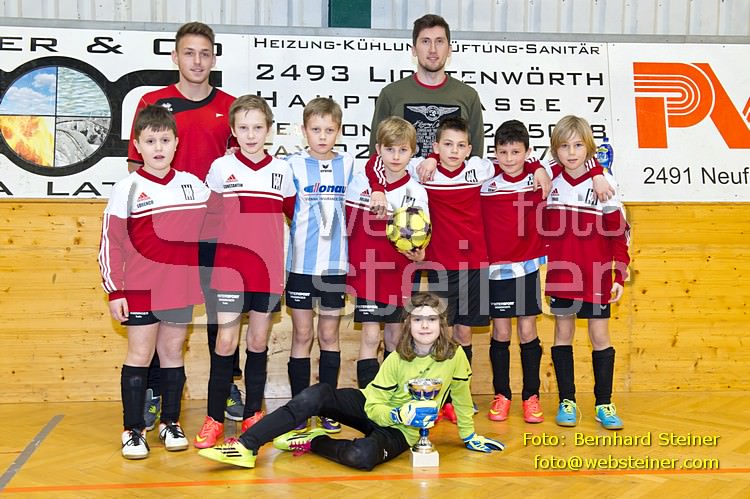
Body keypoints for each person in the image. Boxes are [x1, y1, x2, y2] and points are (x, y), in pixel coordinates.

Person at [197, 292, 504, 471]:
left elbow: (461, 396)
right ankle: (246, 446)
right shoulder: (398, 357)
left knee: (362, 457)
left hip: (402, 432)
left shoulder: (455, 356)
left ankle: (313, 441)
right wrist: (397, 413)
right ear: (408, 324)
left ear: (442, 324)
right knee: (317, 394)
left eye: (432, 319)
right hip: (374, 409)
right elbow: (373, 405)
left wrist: (469, 436)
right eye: (418, 319)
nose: (425, 326)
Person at [126, 21, 243, 428]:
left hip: (216, 230)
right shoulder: (153, 102)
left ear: (214, 59)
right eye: (189, 53)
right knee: (161, 314)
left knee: (222, 313)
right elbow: (135, 168)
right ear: (175, 56)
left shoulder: (230, 107)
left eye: (204, 53)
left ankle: (226, 387)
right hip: (168, 236)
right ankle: (155, 392)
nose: (197, 61)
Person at [99, 105, 210, 459]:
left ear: (176, 143)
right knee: (140, 355)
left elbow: (220, 227)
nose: (158, 147)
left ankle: (170, 422)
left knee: (172, 354)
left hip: (180, 288)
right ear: (137, 145)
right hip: (139, 289)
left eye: (164, 140)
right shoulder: (127, 188)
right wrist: (115, 290)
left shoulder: (193, 186)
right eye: (150, 141)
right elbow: (111, 242)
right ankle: (133, 429)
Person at [194, 95, 296, 448]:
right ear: (233, 131)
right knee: (225, 341)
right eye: (243, 128)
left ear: (269, 130)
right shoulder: (221, 168)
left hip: (267, 271)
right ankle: (213, 418)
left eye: (257, 127)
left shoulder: (282, 171)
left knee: (257, 341)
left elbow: (295, 217)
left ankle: (253, 413)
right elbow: (208, 219)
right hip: (229, 271)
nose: (251, 135)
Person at [543, 115, 630, 430]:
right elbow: (526, 166)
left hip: (596, 273)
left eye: (578, 145)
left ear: (589, 148)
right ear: (555, 149)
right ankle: (567, 401)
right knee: (562, 334)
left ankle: (604, 403)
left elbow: (618, 233)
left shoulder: (605, 184)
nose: (571, 152)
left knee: (600, 336)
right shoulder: (549, 179)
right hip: (562, 274)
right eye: (564, 146)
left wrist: (619, 274)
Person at [284, 98, 354, 433]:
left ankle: (328, 408)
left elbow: (379, 178)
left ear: (338, 131)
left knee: (329, 335)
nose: (322, 136)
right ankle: (299, 409)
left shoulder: (350, 165)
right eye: (316, 129)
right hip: (301, 266)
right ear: (304, 130)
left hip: (334, 268)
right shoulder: (292, 165)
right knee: (302, 334)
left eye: (329, 130)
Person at [346, 117, 429, 389]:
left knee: (395, 337)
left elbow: (423, 236)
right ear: (378, 149)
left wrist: (420, 254)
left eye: (403, 150)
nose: (395, 156)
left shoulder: (416, 191)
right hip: (368, 272)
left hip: (400, 273)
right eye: (389, 149)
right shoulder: (360, 183)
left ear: (412, 152)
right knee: (370, 337)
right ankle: (368, 401)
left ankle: (392, 396)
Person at [480, 120, 547, 424]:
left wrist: (537, 167)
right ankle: (502, 394)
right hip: (495, 270)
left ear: (527, 152)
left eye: (516, 152)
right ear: (495, 152)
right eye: (503, 152)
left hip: (527, 265)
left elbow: (573, 162)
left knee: (528, 331)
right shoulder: (485, 177)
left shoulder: (538, 179)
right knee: (502, 332)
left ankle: (531, 396)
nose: (509, 158)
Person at [369, 13, 484, 158]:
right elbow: (376, 155)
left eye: (439, 41)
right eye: (425, 41)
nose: (433, 49)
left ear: (449, 50)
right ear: (414, 50)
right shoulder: (391, 94)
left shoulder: (468, 96)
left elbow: (475, 157)